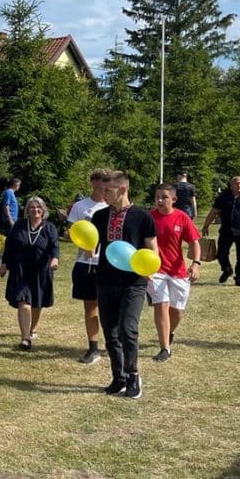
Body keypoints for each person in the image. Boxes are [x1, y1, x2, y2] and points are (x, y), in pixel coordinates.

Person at [90, 171, 158, 399]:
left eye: (107, 190)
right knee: (110, 332)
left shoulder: (143, 217)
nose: (103, 194)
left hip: (133, 283)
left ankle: (133, 375)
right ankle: (118, 377)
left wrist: (149, 269)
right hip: (105, 281)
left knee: (128, 329)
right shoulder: (99, 217)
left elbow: (152, 250)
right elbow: (92, 248)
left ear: (122, 190)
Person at [0, 197, 60, 351]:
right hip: (20, 269)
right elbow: (10, 246)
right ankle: (25, 338)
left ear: (43, 210)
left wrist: (55, 260)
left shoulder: (49, 227)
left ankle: (33, 328)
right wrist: (4, 264)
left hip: (41, 270)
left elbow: (55, 246)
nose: (35, 210)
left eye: (38, 207)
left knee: (37, 302)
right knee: (23, 301)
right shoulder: (19, 225)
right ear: (27, 210)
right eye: (31, 207)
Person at [148, 183, 201, 362]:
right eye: (157, 197)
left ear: (174, 199)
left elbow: (194, 242)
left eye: (164, 197)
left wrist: (196, 263)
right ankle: (165, 348)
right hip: (156, 270)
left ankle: (169, 332)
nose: (160, 200)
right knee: (161, 305)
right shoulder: (149, 217)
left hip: (177, 270)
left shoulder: (182, 217)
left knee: (177, 311)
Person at [67, 171, 110, 364]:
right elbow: (70, 232)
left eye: (108, 181)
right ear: (93, 182)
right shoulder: (80, 206)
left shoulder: (113, 206)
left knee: (110, 308)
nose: (105, 185)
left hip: (109, 263)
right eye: (102, 181)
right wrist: (84, 244)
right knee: (90, 307)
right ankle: (93, 348)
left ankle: (112, 344)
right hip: (86, 263)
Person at [201, 175, 240, 287]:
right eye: (237, 183)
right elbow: (213, 212)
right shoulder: (223, 197)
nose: (239, 185)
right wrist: (206, 226)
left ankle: (239, 278)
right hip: (226, 231)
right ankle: (227, 270)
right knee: (221, 254)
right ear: (231, 186)